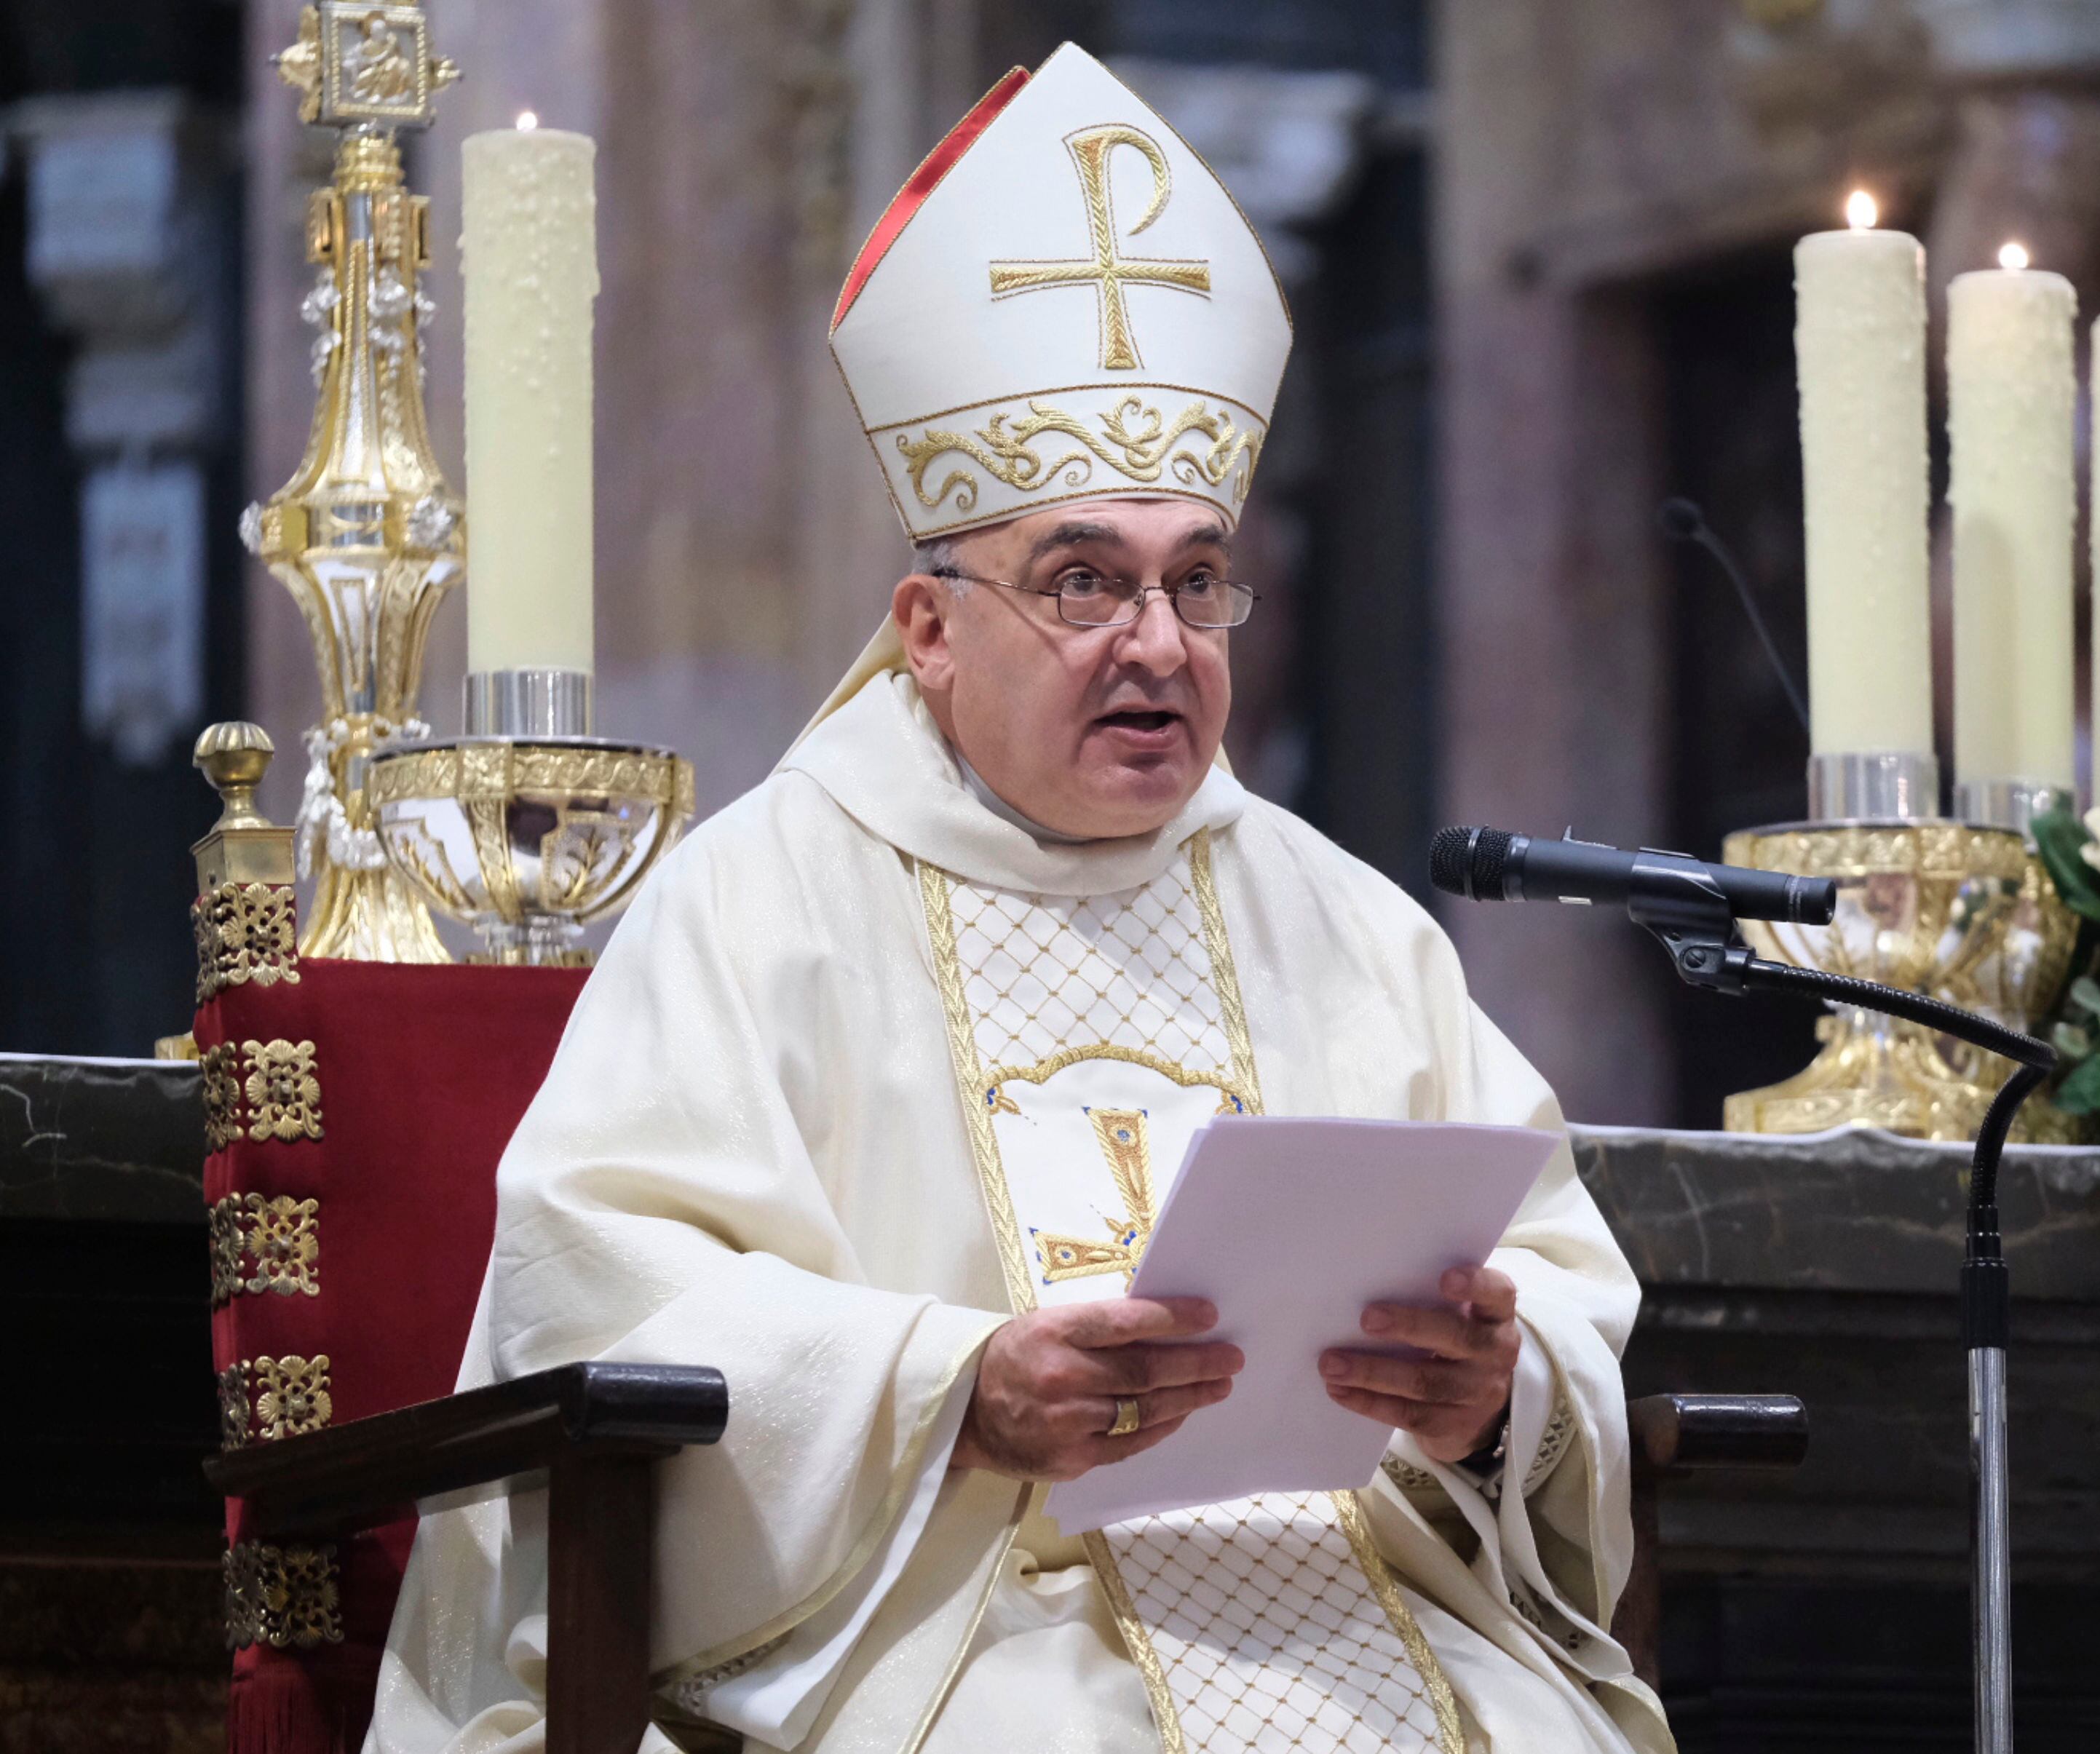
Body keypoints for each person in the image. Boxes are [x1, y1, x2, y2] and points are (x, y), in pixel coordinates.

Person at [368, 44, 1668, 1754]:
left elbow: (1557, 1276)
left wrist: (1499, 1393)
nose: (1154, 643)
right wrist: (950, 1393)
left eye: (1195, 582)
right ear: (927, 626)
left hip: (1363, 1600)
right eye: (1083, 581)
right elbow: (591, 1295)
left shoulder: (1345, 923)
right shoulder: (763, 901)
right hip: (960, 1623)